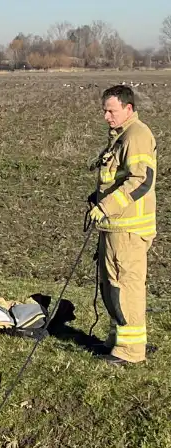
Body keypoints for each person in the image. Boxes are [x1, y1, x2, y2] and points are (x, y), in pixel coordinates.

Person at [86, 84, 158, 366]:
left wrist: (107, 206)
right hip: (115, 227)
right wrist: (98, 197)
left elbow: (141, 180)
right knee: (113, 286)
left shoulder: (137, 135)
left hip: (128, 229)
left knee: (125, 287)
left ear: (128, 109)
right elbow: (118, 176)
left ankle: (130, 353)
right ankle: (124, 340)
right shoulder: (121, 136)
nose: (106, 116)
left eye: (111, 110)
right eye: (104, 110)